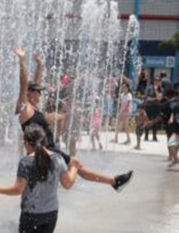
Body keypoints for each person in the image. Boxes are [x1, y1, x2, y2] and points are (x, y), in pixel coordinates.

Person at [13, 47, 133, 192]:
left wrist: (39, 65)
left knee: (75, 169)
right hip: (44, 152)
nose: (41, 94)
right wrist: (22, 61)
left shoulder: (34, 107)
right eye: (38, 92)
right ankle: (114, 182)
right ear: (30, 94)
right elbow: (24, 85)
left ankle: (114, 182)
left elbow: (34, 83)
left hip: (50, 150)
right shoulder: (25, 109)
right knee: (73, 170)